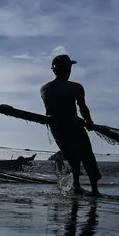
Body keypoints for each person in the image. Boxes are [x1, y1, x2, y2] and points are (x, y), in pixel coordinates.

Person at [40, 54, 101, 196]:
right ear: (68, 70)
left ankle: (77, 186)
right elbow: (83, 108)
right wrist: (89, 122)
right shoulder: (75, 87)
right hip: (74, 125)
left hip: (56, 127)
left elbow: (51, 110)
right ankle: (94, 189)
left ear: (54, 70)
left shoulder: (45, 88)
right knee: (87, 155)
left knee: (72, 157)